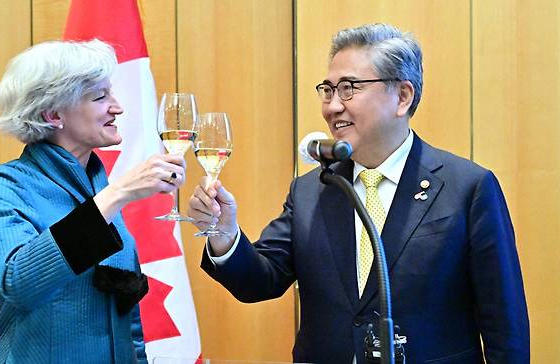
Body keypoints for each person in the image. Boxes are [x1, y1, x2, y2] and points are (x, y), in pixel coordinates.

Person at [187, 23, 529, 363]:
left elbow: (505, 327)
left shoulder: (466, 188)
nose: (333, 106)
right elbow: (259, 282)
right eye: (328, 89)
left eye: (349, 88)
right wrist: (225, 232)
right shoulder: (312, 190)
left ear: (402, 97)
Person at [0, 39, 185, 363]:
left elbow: (126, 313)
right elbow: (18, 282)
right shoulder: (3, 185)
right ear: (53, 114)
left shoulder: (98, 188)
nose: (118, 107)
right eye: (100, 97)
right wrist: (116, 195)